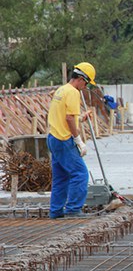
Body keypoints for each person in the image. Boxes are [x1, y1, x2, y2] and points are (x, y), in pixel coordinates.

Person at [46, 62, 96, 219]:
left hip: (53, 138)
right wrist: (78, 140)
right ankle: (73, 210)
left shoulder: (61, 90)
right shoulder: (73, 92)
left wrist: (80, 118)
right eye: (86, 83)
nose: (85, 87)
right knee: (80, 174)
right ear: (80, 79)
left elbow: (66, 116)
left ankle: (56, 211)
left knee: (61, 177)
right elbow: (68, 118)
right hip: (64, 139)